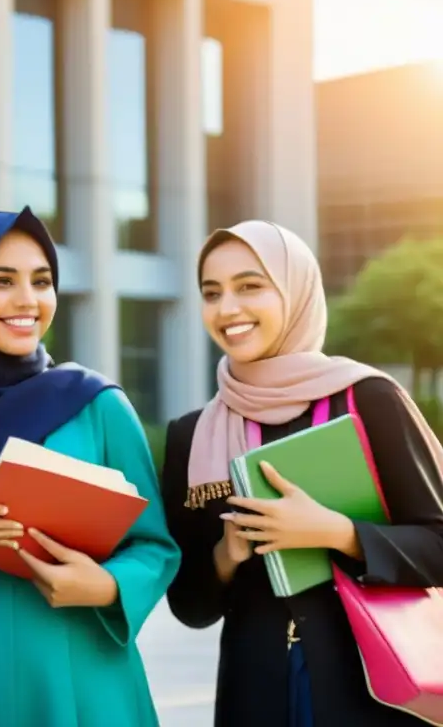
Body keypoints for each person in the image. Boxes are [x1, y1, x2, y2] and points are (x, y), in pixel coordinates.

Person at [0, 207, 181, 727]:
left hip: (84, 680)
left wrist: (104, 585)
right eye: (1, 281)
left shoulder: (96, 405)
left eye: (42, 281)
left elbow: (155, 545)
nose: (27, 300)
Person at [161, 219, 443, 726]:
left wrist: (338, 533)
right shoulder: (193, 436)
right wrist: (227, 554)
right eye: (211, 292)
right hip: (256, 693)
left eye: (250, 286)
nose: (228, 309)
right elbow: (190, 605)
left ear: (295, 292)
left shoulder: (367, 400)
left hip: (371, 694)